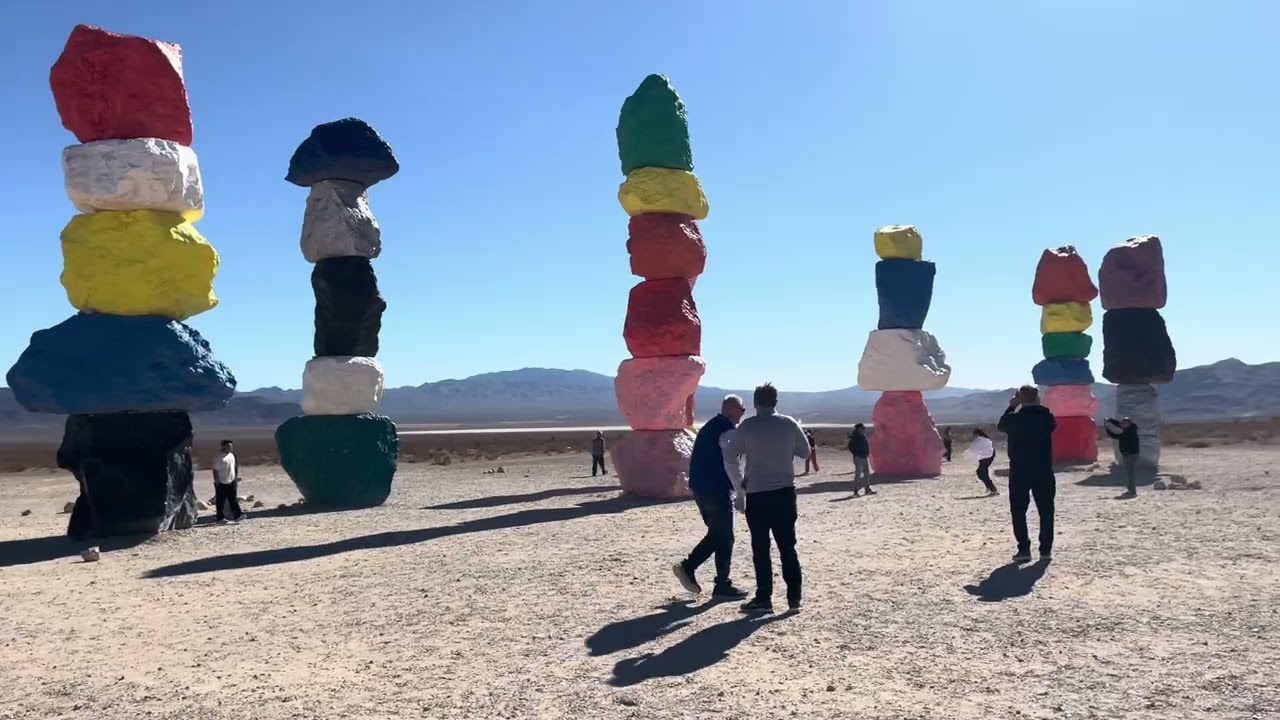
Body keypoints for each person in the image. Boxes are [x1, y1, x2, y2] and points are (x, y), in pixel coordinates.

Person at [733, 383, 810, 613]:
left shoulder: (748, 426)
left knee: (761, 547)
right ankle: (794, 598)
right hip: (785, 492)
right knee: (788, 546)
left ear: (756, 402)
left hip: (757, 494)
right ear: (776, 402)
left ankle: (764, 598)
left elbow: (736, 450)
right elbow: (805, 452)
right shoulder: (788, 423)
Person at [673, 395, 750, 599]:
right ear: (732, 409)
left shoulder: (711, 426)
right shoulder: (725, 430)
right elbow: (731, 464)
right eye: (742, 409)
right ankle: (689, 566)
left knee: (721, 534)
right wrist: (741, 491)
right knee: (722, 535)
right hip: (715, 489)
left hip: (702, 488)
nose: (743, 413)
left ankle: (721, 583)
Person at [996, 386, 1057, 563]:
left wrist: (1012, 406)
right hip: (1043, 470)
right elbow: (1053, 424)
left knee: (1018, 510)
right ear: (1037, 398)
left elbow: (1001, 425)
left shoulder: (1014, 419)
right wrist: (1038, 405)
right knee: (1046, 510)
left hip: (1019, 470)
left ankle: (1024, 549)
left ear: (1019, 398)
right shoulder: (1045, 417)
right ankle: (1045, 550)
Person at [1104, 417, 1141, 496]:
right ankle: (1131, 490)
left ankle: (1132, 491)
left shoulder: (1130, 432)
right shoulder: (1129, 429)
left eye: (1124, 423)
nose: (1122, 425)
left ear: (1128, 424)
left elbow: (1117, 436)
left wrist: (1108, 429)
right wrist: (1110, 420)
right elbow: (1118, 425)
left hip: (1131, 455)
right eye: (1122, 423)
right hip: (1128, 455)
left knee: (1129, 474)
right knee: (1129, 474)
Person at [212, 440, 244, 524]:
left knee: (233, 499)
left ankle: (238, 516)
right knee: (220, 501)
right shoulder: (219, 457)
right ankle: (220, 518)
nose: (230, 447)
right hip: (222, 482)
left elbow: (233, 467)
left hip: (231, 480)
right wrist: (217, 481)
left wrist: (235, 478)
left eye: (231, 446)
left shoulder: (231, 455)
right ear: (223, 447)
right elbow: (215, 470)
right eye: (228, 446)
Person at [966, 429, 998, 495]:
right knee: (983, 473)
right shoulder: (983, 439)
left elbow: (975, 448)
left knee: (980, 472)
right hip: (985, 457)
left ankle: (993, 489)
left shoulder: (981, 440)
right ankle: (990, 488)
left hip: (986, 457)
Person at [847, 424, 874, 495]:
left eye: (864, 428)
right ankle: (856, 489)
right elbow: (850, 447)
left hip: (864, 457)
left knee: (866, 473)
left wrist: (867, 453)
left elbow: (866, 445)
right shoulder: (855, 437)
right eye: (862, 428)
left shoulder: (863, 436)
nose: (864, 429)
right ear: (859, 429)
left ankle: (867, 489)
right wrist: (856, 454)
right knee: (858, 474)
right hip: (858, 458)